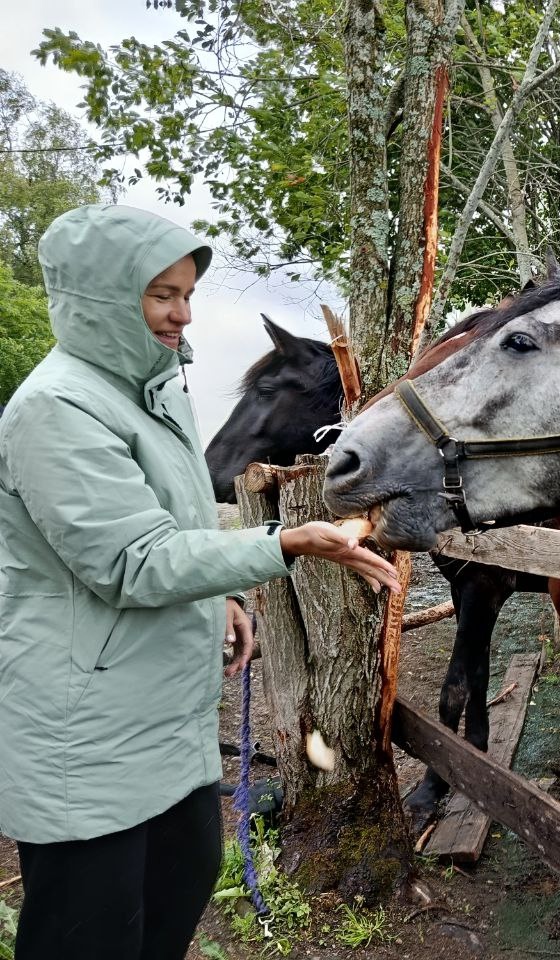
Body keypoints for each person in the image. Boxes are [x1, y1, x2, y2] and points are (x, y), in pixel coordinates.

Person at [0, 204, 401, 960]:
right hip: (87, 730)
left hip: (167, 718)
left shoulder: (154, 395)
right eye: (161, 294)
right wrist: (283, 542)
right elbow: (132, 561)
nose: (183, 313)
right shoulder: (57, 410)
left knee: (183, 885)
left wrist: (221, 593)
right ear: (97, 294)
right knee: (89, 935)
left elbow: (174, 521)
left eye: (186, 293)